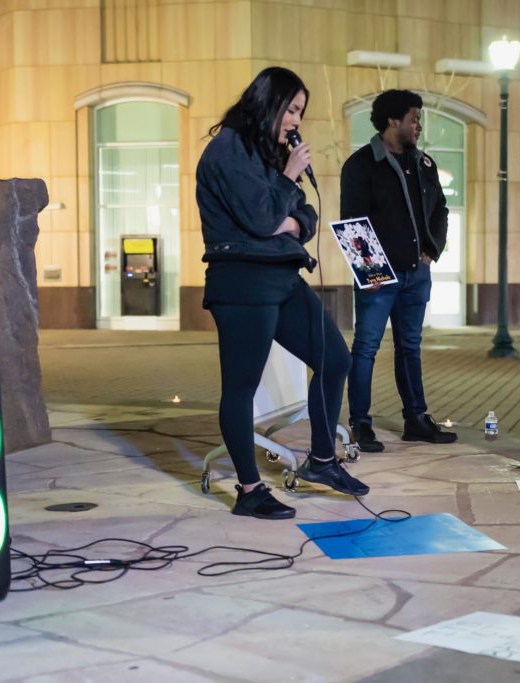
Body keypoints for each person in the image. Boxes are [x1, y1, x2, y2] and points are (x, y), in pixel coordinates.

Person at [196, 67, 370, 520]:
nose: (296, 120)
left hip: (282, 276)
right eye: (291, 109)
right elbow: (259, 219)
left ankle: (322, 462)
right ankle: (249, 489)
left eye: (300, 112)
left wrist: (292, 218)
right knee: (241, 386)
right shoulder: (226, 152)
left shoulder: (267, 154)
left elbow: (302, 214)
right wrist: (288, 180)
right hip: (241, 284)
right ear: (268, 103)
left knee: (336, 359)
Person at [341, 89, 457, 452]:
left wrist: (430, 251)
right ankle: (360, 424)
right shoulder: (361, 165)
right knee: (365, 349)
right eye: (414, 118)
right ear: (393, 121)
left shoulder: (424, 165)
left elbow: (441, 210)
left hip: (415, 275)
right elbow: (353, 225)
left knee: (410, 347)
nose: (418, 126)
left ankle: (416, 420)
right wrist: (371, 273)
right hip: (379, 279)